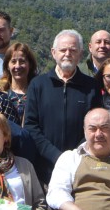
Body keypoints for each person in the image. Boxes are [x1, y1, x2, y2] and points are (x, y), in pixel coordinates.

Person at [24, 30, 102, 184]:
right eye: (63, 50)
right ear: (54, 53)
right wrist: (55, 155)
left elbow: (95, 126)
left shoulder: (92, 86)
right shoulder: (38, 85)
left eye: (73, 50)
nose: (68, 54)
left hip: (80, 165)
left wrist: (75, 155)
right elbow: (31, 125)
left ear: (80, 54)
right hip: (43, 166)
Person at [0, 41, 38, 125]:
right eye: (13, 61)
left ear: (30, 64)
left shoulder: (38, 91)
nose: (17, 66)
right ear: (7, 65)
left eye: (22, 61)